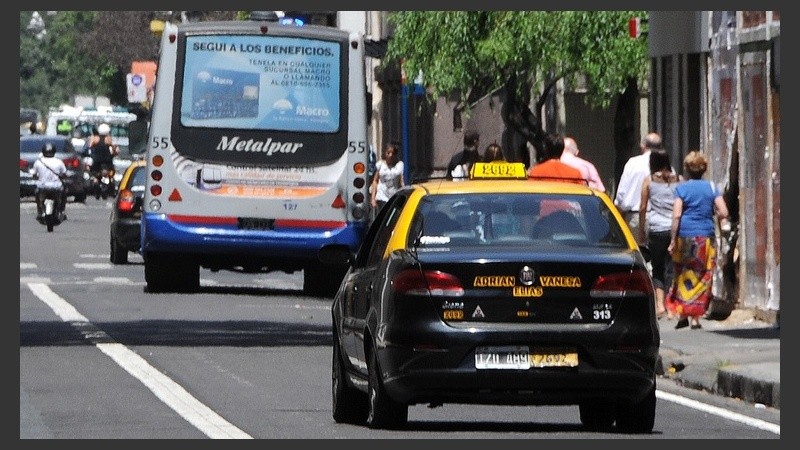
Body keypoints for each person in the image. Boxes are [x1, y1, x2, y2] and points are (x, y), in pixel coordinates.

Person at [666, 150, 729, 330]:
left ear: (686, 169)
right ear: (704, 169)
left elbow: (676, 215)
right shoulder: (711, 187)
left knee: (683, 274)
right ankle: (695, 318)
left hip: (685, 236)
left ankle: (682, 313)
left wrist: (673, 240)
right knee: (703, 275)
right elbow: (724, 211)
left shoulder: (681, 189)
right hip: (705, 237)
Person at [639, 149, 680, 319]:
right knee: (674, 266)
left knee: (658, 268)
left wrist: (641, 230)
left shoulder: (649, 181)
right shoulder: (678, 180)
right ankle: (673, 305)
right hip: (675, 229)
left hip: (656, 229)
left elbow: (643, 207)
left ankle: (660, 305)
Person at [614, 132, 663, 244]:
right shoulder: (665, 165)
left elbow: (621, 193)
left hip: (634, 218)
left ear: (643, 146)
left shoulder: (633, 163)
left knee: (636, 252)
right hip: (660, 219)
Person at [32, 142, 67, 222]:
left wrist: (38, 177)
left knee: (37, 194)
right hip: (56, 187)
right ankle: (61, 211)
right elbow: (64, 173)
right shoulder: (59, 162)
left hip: (43, 187)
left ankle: (40, 211)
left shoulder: (38, 162)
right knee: (64, 193)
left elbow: (34, 174)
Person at [370, 141, 405, 213]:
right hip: (381, 196)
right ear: (385, 153)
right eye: (388, 153)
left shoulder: (399, 165)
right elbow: (375, 181)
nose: (390, 155)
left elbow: (401, 181)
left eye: (393, 153)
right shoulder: (380, 165)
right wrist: (373, 198)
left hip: (394, 196)